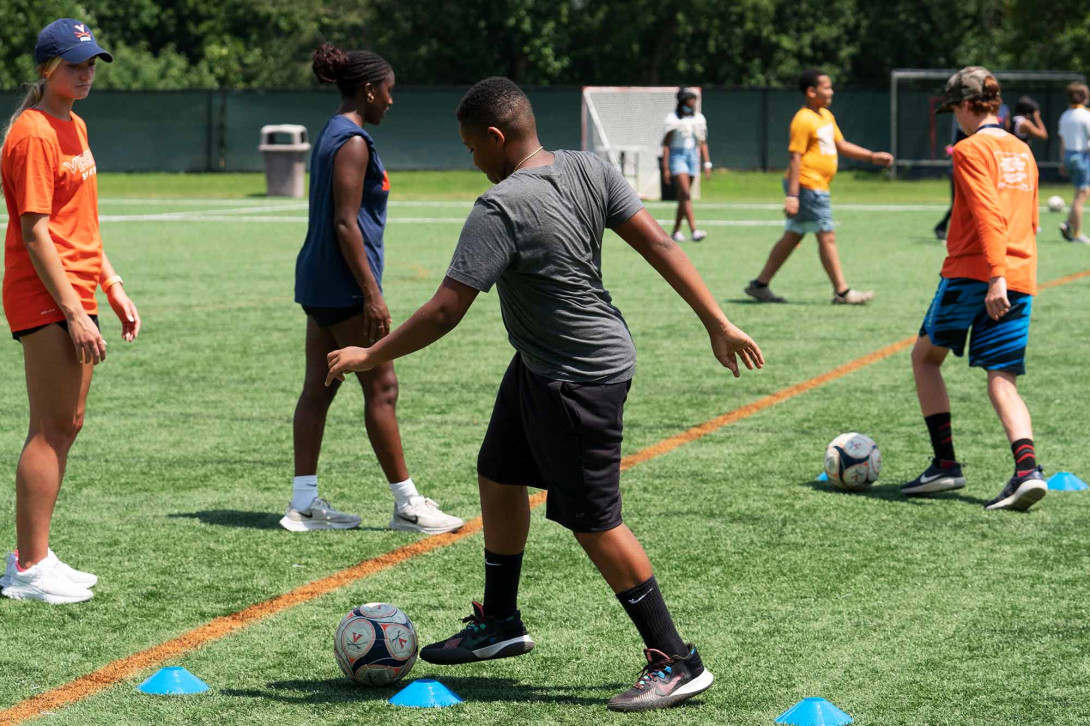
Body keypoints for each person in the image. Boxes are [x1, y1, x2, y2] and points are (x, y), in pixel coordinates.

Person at [325, 77, 763, 711]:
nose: (470, 157)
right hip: (545, 363)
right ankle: (500, 623)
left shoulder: (499, 206)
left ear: (497, 138)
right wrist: (716, 321)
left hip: (576, 377)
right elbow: (660, 242)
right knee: (500, 473)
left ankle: (677, 660)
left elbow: (447, 310)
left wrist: (371, 353)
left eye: (471, 145)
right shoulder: (589, 168)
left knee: (594, 520)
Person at [287, 44, 463, 534]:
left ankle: (303, 504)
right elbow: (346, 224)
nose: (392, 100)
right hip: (343, 286)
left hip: (317, 281)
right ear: (369, 90)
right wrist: (372, 293)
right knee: (382, 386)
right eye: (389, 90)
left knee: (320, 387)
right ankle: (407, 504)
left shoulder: (333, 130)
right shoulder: (354, 141)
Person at [0, 19, 140, 604]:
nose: (85, 73)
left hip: (79, 289)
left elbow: (79, 223)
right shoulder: (33, 133)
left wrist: (110, 284)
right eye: (75, 64)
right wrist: (74, 313)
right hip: (47, 294)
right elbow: (35, 232)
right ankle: (28, 567)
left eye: (91, 64)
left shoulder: (74, 124)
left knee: (68, 424)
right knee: (51, 426)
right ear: (46, 68)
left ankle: (36, 552)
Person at [901, 67, 1046, 512]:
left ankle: (945, 463)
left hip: (974, 274)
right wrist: (1010, 273)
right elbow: (1031, 219)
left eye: (954, 110)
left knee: (925, 358)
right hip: (1021, 274)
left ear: (967, 105)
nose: (955, 120)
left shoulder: (970, 149)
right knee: (1001, 377)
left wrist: (994, 274)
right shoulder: (1022, 150)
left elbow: (987, 213)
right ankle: (1027, 471)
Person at [744, 69, 893, 305]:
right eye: (826, 87)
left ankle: (759, 285)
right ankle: (842, 292)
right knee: (827, 235)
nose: (831, 91)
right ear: (811, 92)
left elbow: (841, 145)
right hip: (808, 185)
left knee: (793, 236)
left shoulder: (825, 116)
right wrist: (793, 195)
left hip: (815, 185)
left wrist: (872, 157)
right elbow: (795, 158)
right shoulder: (803, 119)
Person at [661, 88, 711, 242]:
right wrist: (666, 167)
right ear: (683, 101)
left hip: (692, 156)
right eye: (690, 99)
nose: (693, 102)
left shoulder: (699, 119)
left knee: (683, 197)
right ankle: (694, 230)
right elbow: (666, 144)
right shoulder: (672, 119)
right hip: (677, 156)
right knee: (685, 193)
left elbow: (703, 143)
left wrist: (707, 163)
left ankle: (675, 232)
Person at [1057, 82, 1090, 244]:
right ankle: (1077, 234)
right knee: (1081, 195)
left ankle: (1067, 223)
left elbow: (1062, 141)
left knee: (1083, 192)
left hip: (1069, 155)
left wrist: (1062, 161)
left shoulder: (1065, 115)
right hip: (1082, 155)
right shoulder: (1085, 115)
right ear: (1085, 97)